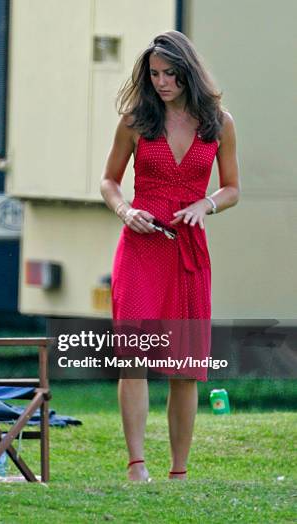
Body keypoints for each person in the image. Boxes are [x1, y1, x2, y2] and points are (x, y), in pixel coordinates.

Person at [100, 31, 240, 481]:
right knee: (135, 358)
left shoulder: (218, 122)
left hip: (189, 250)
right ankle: (137, 465)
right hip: (142, 247)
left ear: (188, 72)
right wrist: (125, 210)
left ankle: (179, 471)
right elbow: (109, 181)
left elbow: (232, 187)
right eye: (154, 74)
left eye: (170, 74)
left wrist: (207, 203)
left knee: (185, 366)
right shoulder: (136, 121)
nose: (161, 83)